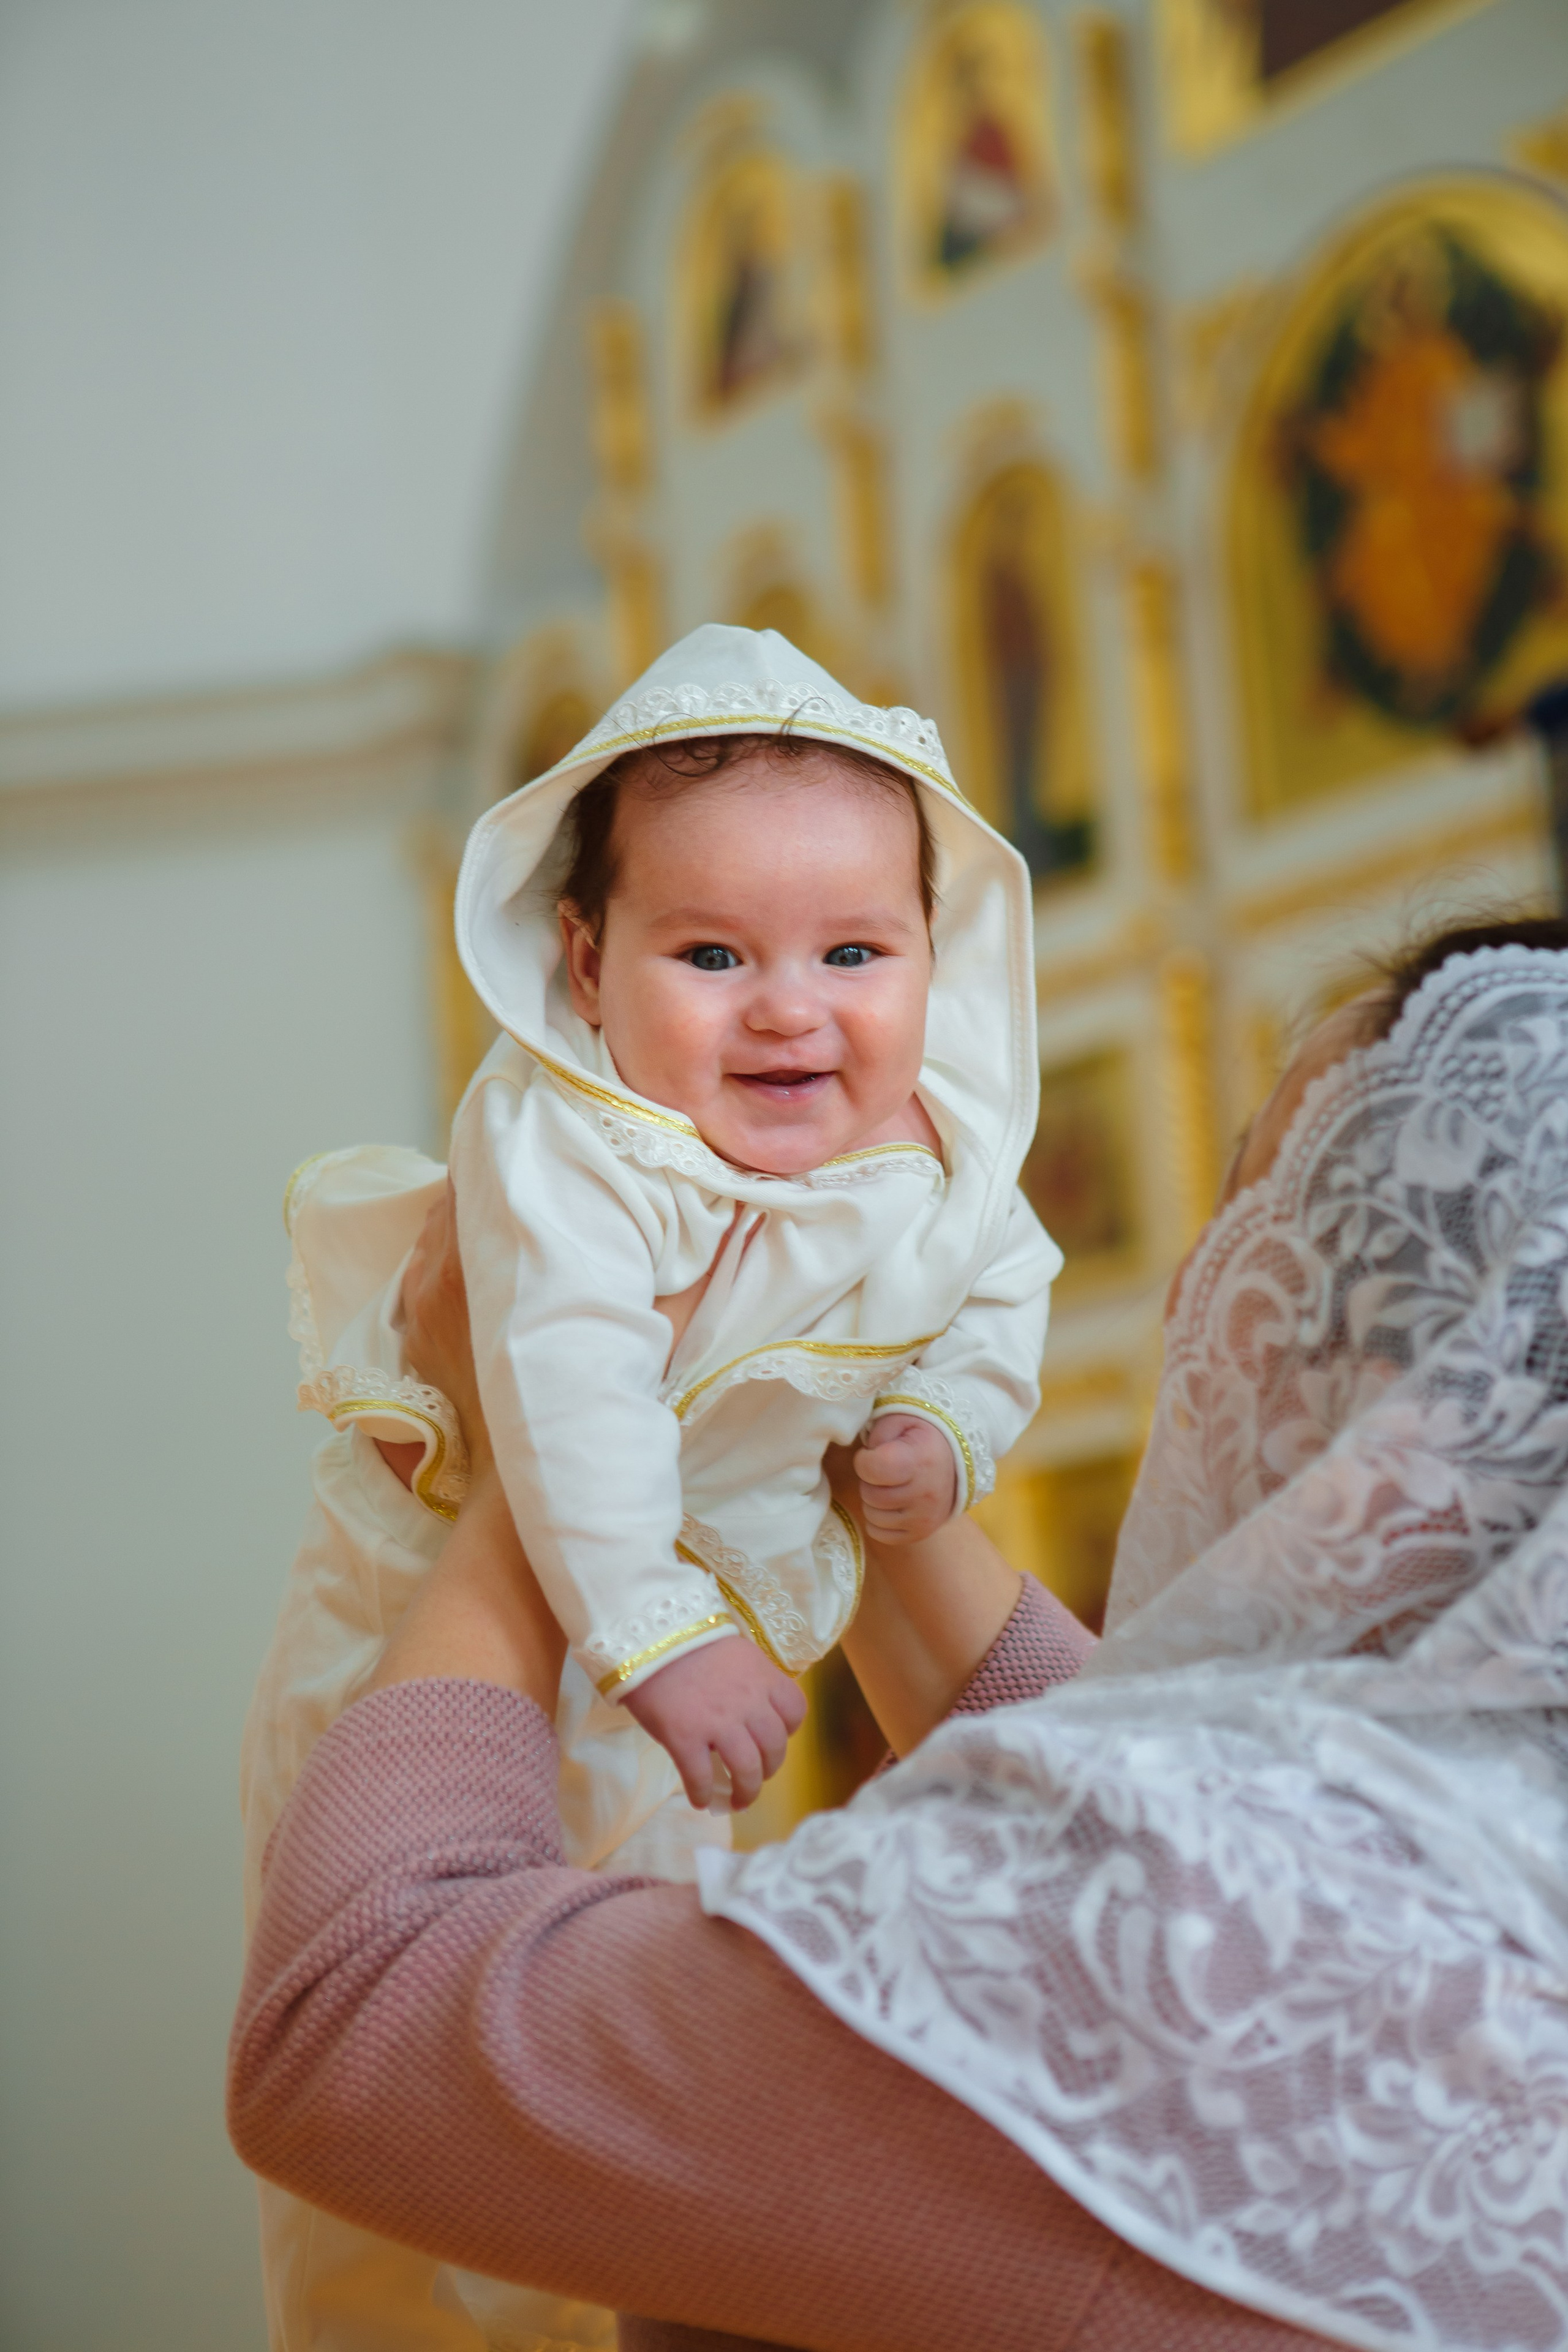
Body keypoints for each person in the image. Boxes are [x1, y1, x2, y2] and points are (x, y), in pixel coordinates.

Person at [233, 920, 1568, 2348]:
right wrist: (803, 1376)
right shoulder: (1480, 1837)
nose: (1189, 1290)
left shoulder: (1185, 1918)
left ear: (1438, 1393)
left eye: (1258, 1229)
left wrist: (535, 1463)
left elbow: (359, 2022)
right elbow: (1140, 1810)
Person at [239, 624, 1061, 2346]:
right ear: (585, 961)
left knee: (603, 2067)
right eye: (711, 952)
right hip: (437, 1609)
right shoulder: (577, 1142)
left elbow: (1006, 1294)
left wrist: (951, 1437)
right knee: (398, 2158)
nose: (789, 1006)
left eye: (855, 949)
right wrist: (662, 1629)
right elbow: (566, 1391)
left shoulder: (933, 1155)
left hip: (675, 1663)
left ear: (934, 955)